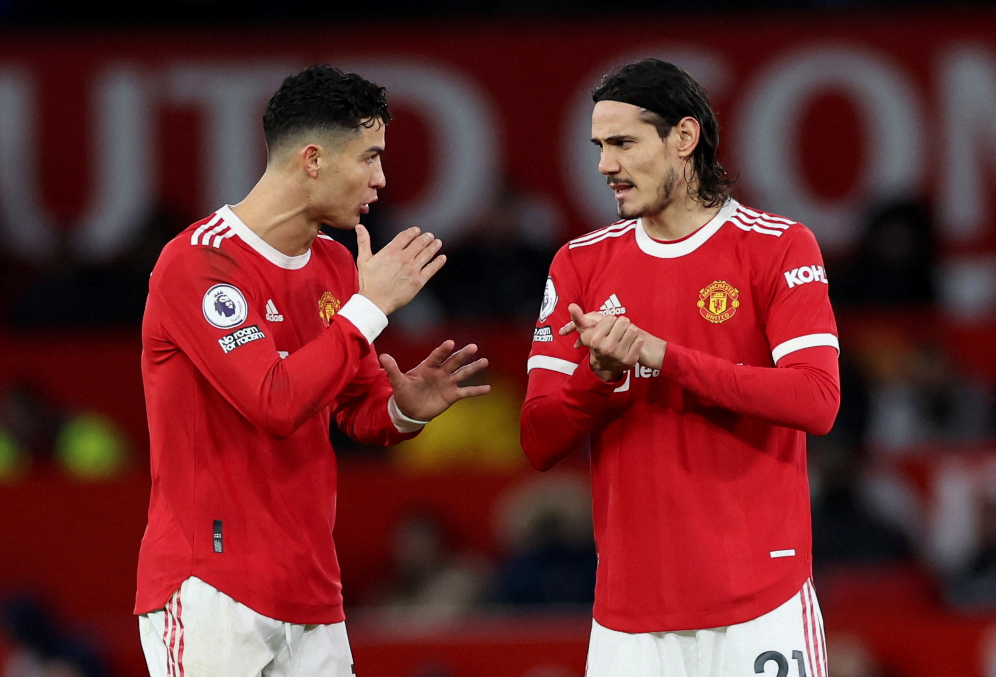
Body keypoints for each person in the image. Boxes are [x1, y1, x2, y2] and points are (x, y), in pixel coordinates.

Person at [135, 64, 490, 677]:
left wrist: (406, 408)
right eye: (369, 157)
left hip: (312, 593)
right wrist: (370, 308)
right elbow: (273, 402)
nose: (381, 178)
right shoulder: (199, 263)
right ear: (312, 159)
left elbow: (356, 408)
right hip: (213, 587)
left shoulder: (335, 264)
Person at [520, 59, 841, 677]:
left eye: (622, 144)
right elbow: (538, 439)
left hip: (760, 603)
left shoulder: (777, 245)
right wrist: (601, 375)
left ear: (685, 139)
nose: (604, 166)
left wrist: (662, 355)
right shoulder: (579, 264)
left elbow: (816, 400)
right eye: (599, 146)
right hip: (628, 620)